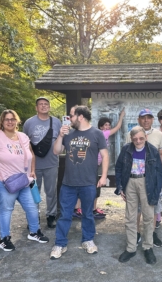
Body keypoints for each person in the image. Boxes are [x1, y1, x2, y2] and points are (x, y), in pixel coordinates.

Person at [0, 109, 49, 251]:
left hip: (23, 180)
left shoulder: (23, 136)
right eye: (7, 119)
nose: (10, 122)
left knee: (32, 207)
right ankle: (4, 239)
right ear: (2, 121)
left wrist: (32, 170)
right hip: (4, 181)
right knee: (6, 209)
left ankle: (34, 232)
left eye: (12, 119)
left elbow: (31, 153)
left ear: (17, 121)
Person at [50, 105, 108, 260]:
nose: (69, 118)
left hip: (89, 182)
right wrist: (60, 136)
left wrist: (103, 177)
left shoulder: (97, 133)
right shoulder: (68, 133)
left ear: (80, 116)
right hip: (68, 183)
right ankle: (60, 244)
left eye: (71, 116)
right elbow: (56, 151)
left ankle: (88, 240)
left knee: (88, 214)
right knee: (65, 215)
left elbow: (105, 155)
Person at [115, 126, 162, 264]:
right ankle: (131, 248)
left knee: (148, 216)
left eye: (141, 138)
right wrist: (120, 186)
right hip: (130, 182)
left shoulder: (152, 150)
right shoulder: (126, 149)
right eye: (135, 139)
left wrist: (157, 189)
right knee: (130, 217)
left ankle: (148, 247)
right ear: (131, 139)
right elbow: (119, 168)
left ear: (146, 137)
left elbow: (160, 172)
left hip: (146, 182)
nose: (138, 141)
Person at [73, 108, 125, 219]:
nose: (108, 127)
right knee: (93, 186)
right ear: (101, 127)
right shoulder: (103, 134)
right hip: (92, 165)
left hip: (91, 164)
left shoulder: (97, 134)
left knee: (86, 185)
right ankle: (89, 209)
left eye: (108, 125)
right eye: (105, 125)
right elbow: (117, 128)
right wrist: (121, 117)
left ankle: (79, 208)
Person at [125, 109, 162, 247]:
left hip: (152, 179)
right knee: (135, 209)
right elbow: (126, 157)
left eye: (149, 118)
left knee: (153, 207)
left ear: (152, 120)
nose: (146, 120)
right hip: (135, 179)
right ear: (139, 119)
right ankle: (136, 233)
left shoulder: (158, 134)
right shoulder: (129, 135)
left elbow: (161, 155)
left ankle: (152, 233)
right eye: (143, 118)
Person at [23, 97, 62, 228]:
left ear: (49, 107)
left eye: (46, 104)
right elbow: (24, 143)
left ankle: (51, 215)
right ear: (36, 107)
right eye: (40, 104)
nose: (43, 106)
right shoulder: (29, 123)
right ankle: (34, 216)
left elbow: (62, 139)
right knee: (34, 191)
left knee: (51, 191)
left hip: (51, 163)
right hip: (34, 165)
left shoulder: (56, 122)